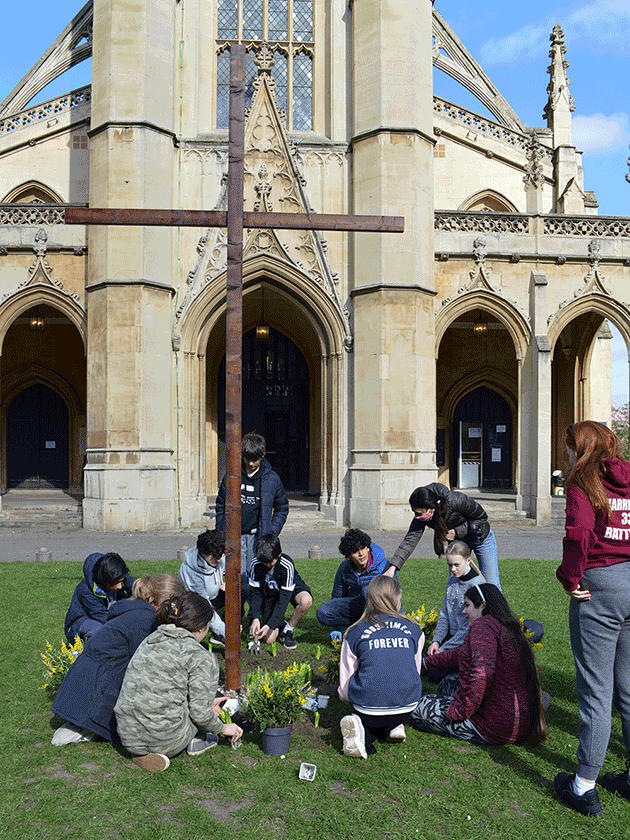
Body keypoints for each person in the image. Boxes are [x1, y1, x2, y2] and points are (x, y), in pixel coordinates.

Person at [554, 420, 630, 817]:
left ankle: (583, 785)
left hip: (599, 587)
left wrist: (569, 577)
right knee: (629, 690)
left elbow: (579, 532)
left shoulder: (582, 480)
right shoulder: (628, 475)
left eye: (569, 447)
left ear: (581, 447)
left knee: (597, 692)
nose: (566, 454)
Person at [114, 591, 243, 772]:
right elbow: (199, 713)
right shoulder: (200, 657)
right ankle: (195, 741)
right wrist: (223, 728)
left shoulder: (150, 640)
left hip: (127, 734)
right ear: (201, 628)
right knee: (200, 719)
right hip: (164, 738)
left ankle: (141, 752)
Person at [51, 574, 186, 745]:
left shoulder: (136, 609)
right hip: (98, 686)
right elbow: (147, 664)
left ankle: (83, 722)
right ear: (166, 602)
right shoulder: (145, 620)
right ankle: (86, 725)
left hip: (85, 681)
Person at [411, 583, 547, 747]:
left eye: (467, 605)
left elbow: (482, 675)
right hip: (521, 723)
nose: (464, 611)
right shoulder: (509, 626)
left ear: (482, 605)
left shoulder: (483, 627)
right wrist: (424, 664)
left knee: (418, 707)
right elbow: (458, 654)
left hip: (493, 727)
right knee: (447, 683)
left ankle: (474, 717)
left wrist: (459, 711)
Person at [338, 575, 424, 758]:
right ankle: (394, 726)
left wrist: (348, 700)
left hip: (367, 708)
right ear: (397, 599)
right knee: (387, 705)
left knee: (368, 713)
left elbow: (345, 686)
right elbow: (414, 671)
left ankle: (361, 729)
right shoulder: (415, 630)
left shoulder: (354, 632)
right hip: (407, 705)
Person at [386, 484, 500, 588]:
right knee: (457, 585)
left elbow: (482, 518)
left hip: (481, 537)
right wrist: (393, 568)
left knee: (491, 582)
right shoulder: (421, 516)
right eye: (414, 512)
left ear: (431, 508)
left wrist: (456, 532)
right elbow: (410, 541)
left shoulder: (456, 500)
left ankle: (496, 610)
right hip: (457, 544)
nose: (416, 516)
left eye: (419, 513)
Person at [215, 432, 289, 582]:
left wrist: (271, 533)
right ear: (242, 455)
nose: (251, 463)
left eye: (255, 459)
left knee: (257, 579)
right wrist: (222, 531)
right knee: (236, 579)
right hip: (236, 536)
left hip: (259, 537)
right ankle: (239, 606)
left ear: (262, 455)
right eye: (248, 458)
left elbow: (282, 508)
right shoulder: (231, 476)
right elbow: (221, 505)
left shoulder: (272, 479)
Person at [316, 528, 392, 639]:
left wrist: (396, 621)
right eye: (355, 551)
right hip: (357, 606)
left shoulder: (383, 566)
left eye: (363, 548)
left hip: (380, 609)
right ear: (348, 556)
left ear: (368, 548)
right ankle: (358, 627)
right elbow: (337, 597)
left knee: (368, 590)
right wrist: (335, 629)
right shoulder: (344, 568)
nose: (361, 554)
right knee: (323, 612)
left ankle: (375, 628)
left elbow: (395, 595)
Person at [248, 533, 313, 650]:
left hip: (288, 588)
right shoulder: (255, 564)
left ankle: (288, 630)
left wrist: (269, 625)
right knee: (269, 639)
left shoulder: (287, 565)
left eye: (271, 562)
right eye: (264, 563)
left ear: (279, 554)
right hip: (270, 593)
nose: (268, 566)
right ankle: (280, 624)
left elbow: (284, 599)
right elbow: (256, 594)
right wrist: (255, 617)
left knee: (306, 601)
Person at [426, 541, 485, 668]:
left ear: (468, 560)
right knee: (431, 662)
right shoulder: (451, 580)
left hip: (467, 640)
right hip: (451, 637)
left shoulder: (476, 584)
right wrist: (436, 642)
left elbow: (468, 627)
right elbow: (444, 613)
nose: (453, 569)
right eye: (449, 565)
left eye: (456, 565)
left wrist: (444, 648)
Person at [64, 552, 134, 642]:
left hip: (108, 614)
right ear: (104, 581)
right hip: (81, 623)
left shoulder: (117, 573)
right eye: (116, 583)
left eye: (122, 581)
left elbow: (137, 589)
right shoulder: (86, 591)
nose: (120, 586)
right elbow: (104, 619)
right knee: (101, 632)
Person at [178, 528, 229, 646]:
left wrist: (230, 585)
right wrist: (225, 630)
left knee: (242, 590)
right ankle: (220, 632)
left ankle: (225, 625)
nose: (219, 559)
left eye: (220, 555)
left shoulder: (218, 555)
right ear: (203, 553)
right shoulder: (191, 572)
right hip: (194, 604)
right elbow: (204, 604)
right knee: (203, 615)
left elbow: (229, 570)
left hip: (213, 596)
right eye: (215, 557)